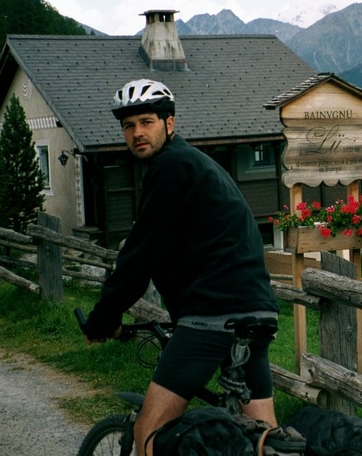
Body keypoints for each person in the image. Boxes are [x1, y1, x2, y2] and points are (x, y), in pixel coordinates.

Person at [82, 78, 280, 456]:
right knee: (266, 439)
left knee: (150, 432)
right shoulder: (198, 165)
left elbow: (140, 256)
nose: (137, 133)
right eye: (129, 126)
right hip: (258, 311)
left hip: (213, 315)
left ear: (169, 124)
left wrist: (103, 320)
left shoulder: (170, 167)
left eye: (147, 121)